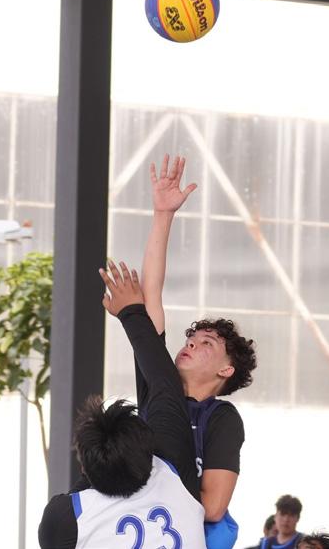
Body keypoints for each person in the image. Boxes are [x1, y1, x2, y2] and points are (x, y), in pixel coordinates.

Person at [38, 262, 205, 548]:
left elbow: (165, 386)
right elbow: (165, 384)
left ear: (84, 466)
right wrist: (131, 311)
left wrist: (94, 461)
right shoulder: (173, 469)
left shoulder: (66, 518)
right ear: (148, 448)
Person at [138, 155, 257, 540]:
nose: (191, 342)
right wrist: (162, 215)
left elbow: (214, 506)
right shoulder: (158, 387)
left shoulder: (221, 419)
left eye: (207, 343)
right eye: (191, 338)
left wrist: (148, 487)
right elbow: (150, 296)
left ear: (226, 369)